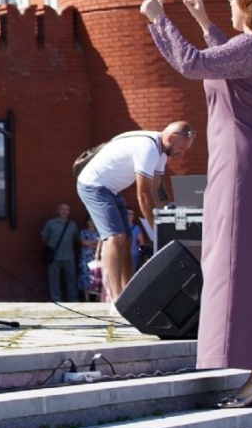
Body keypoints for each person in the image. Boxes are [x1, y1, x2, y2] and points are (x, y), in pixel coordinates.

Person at [140, 0, 252, 407]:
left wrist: (158, 18)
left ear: (247, 4)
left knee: (235, 264)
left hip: (240, 168)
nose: (228, 1)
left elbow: (194, 64)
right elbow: (232, 63)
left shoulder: (250, 48)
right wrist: (205, 22)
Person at [75, 121, 195, 301]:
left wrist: (169, 217)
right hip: (93, 185)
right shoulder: (148, 149)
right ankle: (115, 299)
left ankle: (128, 295)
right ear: (170, 138)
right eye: (181, 148)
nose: (181, 154)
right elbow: (144, 195)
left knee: (128, 237)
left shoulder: (161, 153)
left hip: (112, 190)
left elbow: (157, 192)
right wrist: (156, 230)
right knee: (116, 237)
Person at [39, 203, 77, 303]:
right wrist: (51, 247)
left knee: (71, 279)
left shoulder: (72, 225)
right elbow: (44, 237)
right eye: (62, 209)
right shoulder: (51, 223)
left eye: (67, 210)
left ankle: (73, 299)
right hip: (54, 257)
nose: (64, 212)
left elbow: (76, 238)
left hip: (69, 257)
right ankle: (56, 299)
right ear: (58, 211)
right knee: (54, 279)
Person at [78, 216, 99, 301]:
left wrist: (91, 243)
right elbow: (84, 242)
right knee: (85, 277)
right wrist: (94, 243)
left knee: (97, 277)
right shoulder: (83, 232)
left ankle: (97, 298)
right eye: (90, 220)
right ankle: (87, 299)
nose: (91, 222)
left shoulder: (99, 232)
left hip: (96, 258)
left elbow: (100, 243)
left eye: (93, 220)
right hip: (85, 258)